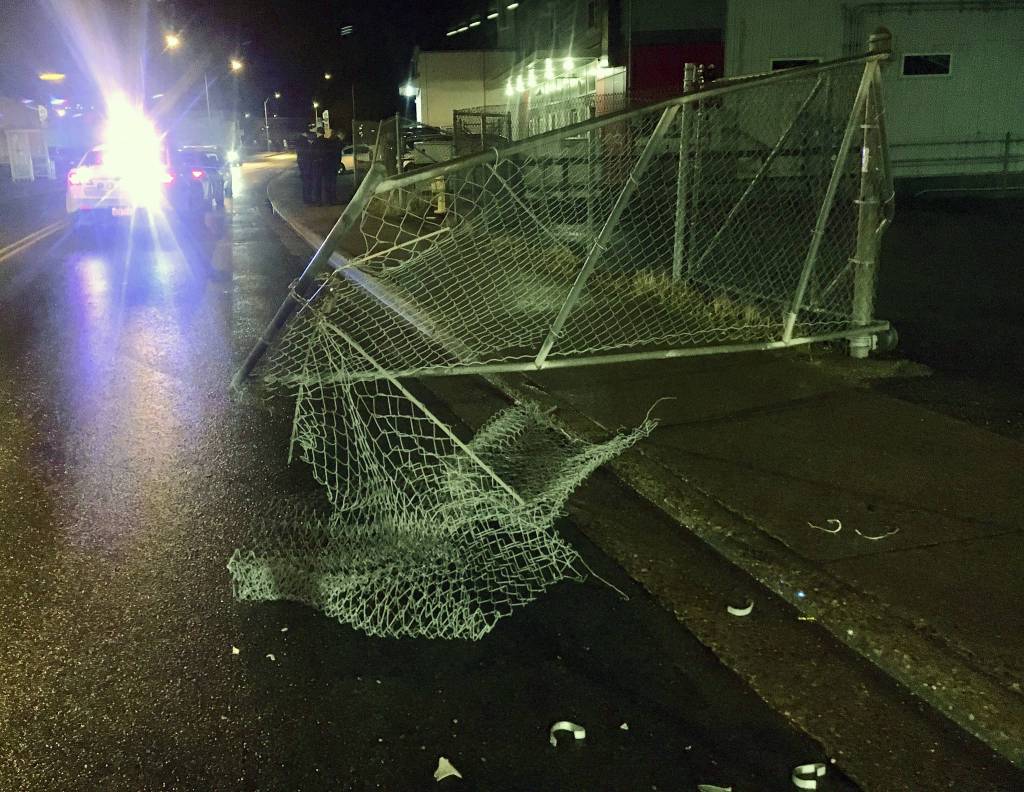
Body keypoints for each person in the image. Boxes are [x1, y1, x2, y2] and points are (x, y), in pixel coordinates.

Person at [320, 130, 343, 205]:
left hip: (326, 165)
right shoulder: (337, 142)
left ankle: (327, 200)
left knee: (327, 183)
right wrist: (338, 165)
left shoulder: (328, 142)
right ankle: (333, 199)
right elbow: (337, 155)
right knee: (332, 183)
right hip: (332, 166)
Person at [308, 130, 325, 206]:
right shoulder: (319, 143)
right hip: (318, 165)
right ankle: (318, 200)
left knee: (316, 184)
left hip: (314, 165)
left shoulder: (313, 144)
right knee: (318, 184)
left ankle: (317, 200)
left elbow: (311, 155)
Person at [297, 132, 315, 204]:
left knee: (305, 185)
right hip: (307, 167)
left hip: (304, 167)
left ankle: (306, 199)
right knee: (308, 185)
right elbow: (309, 155)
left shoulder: (300, 143)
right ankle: (308, 200)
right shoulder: (304, 144)